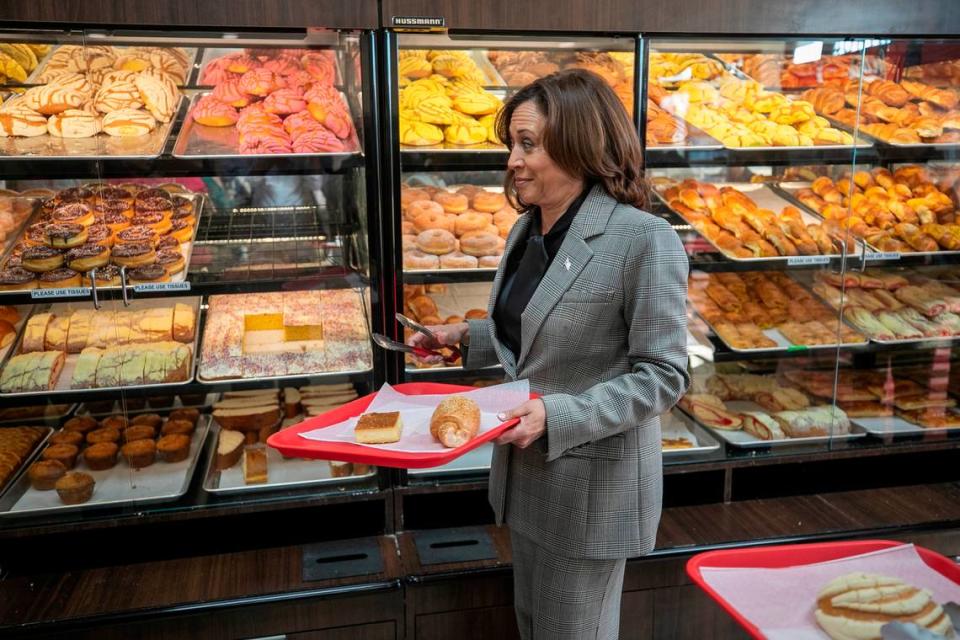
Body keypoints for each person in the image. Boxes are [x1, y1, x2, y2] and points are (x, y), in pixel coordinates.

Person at [408, 69, 690, 639]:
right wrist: (464, 337)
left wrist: (558, 415)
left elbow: (663, 375)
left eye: (528, 145)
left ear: (581, 146)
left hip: (589, 492)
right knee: (535, 626)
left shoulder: (642, 239)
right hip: (528, 479)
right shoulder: (526, 229)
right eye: (513, 143)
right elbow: (532, 339)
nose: (513, 159)